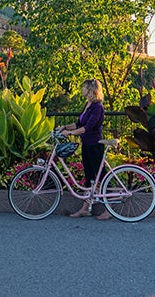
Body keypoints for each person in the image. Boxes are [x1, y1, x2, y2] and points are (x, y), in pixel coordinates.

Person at [57, 78, 109, 220]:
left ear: (91, 90)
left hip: (95, 145)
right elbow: (79, 123)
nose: (82, 90)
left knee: (103, 177)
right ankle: (85, 209)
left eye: (84, 87)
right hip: (87, 145)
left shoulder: (98, 107)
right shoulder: (88, 105)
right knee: (89, 178)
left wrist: (71, 133)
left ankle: (109, 210)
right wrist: (65, 127)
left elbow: (88, 127)